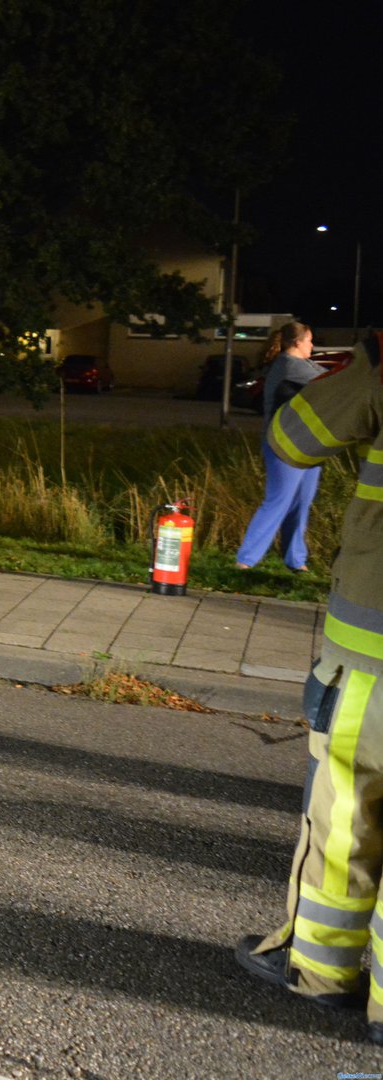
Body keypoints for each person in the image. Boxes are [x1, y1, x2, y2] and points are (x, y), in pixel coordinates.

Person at [235, 330, 383, 1041]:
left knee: (348, 818)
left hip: (375, 650)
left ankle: (321, 972)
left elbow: (294, 437)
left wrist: (367, 371)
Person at [235, 320, 325, 571]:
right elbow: (330, 381)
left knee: (300, 504)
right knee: (279, 500)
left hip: (308, 444)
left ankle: (295, 560)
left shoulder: (301, 364)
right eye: (309, 340)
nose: (313, 345)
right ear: (297, 343)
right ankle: (246, 559)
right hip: (284, 445)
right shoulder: (289, 365)